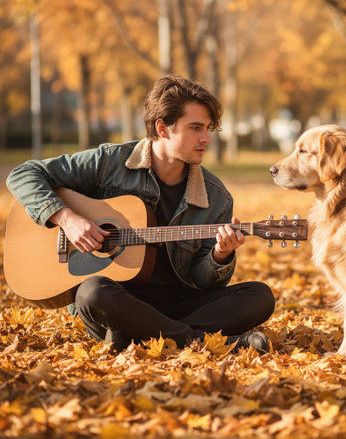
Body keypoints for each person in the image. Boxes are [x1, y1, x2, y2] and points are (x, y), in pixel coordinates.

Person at [6, 75, 275, 353]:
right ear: (162, 128)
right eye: (195, 128)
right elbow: (23, 174)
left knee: (259, 296)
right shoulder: (109, 162)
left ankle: (139, 335)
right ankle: (196, 340)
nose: (206, 138)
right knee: (92, 292)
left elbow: (202, 282)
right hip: (117, 299)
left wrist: (220, 255)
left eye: (207, 128)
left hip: (179, 302)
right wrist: (67, 219)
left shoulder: (216, 197)